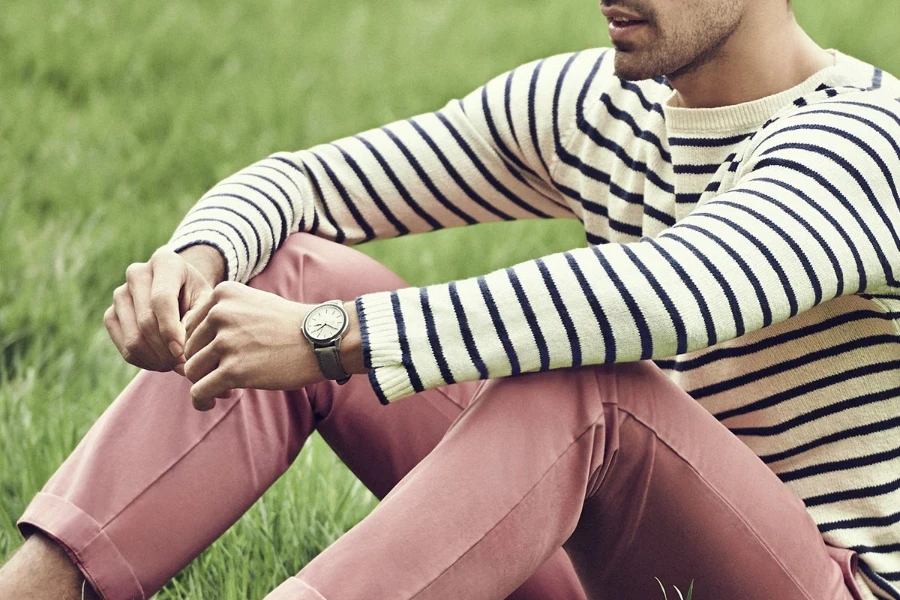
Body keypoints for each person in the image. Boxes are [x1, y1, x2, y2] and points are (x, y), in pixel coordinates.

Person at [2, 0, 899, 598]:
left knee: (588, 389)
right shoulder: (597, 103)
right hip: (609, 566)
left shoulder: (861, 142)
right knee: (299, 268)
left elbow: (669, 294)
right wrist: (195, 257)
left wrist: (330, 339)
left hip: (823, 581)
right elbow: (309, 182)